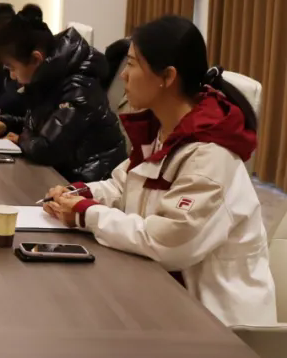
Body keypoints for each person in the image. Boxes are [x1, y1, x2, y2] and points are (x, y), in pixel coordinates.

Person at [42, 16, 275, 326]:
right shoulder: (166, 130)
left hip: (216, 324)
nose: (123, 75)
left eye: (132, 64)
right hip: (161, 294)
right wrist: (79, 194)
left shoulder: (210, 153)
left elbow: (169, 242)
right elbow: (123, 185)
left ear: (167, 76)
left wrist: (86, 213)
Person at [0, 4, 127, 182]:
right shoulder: (52, 76)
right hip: (63, 175)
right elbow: (46, 126)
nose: (12, 76)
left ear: (36, 59)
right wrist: (7, 124)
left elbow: (47, 149)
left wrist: (19, 140)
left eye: (12, 68)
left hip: (90, 182)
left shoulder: (79, 87)